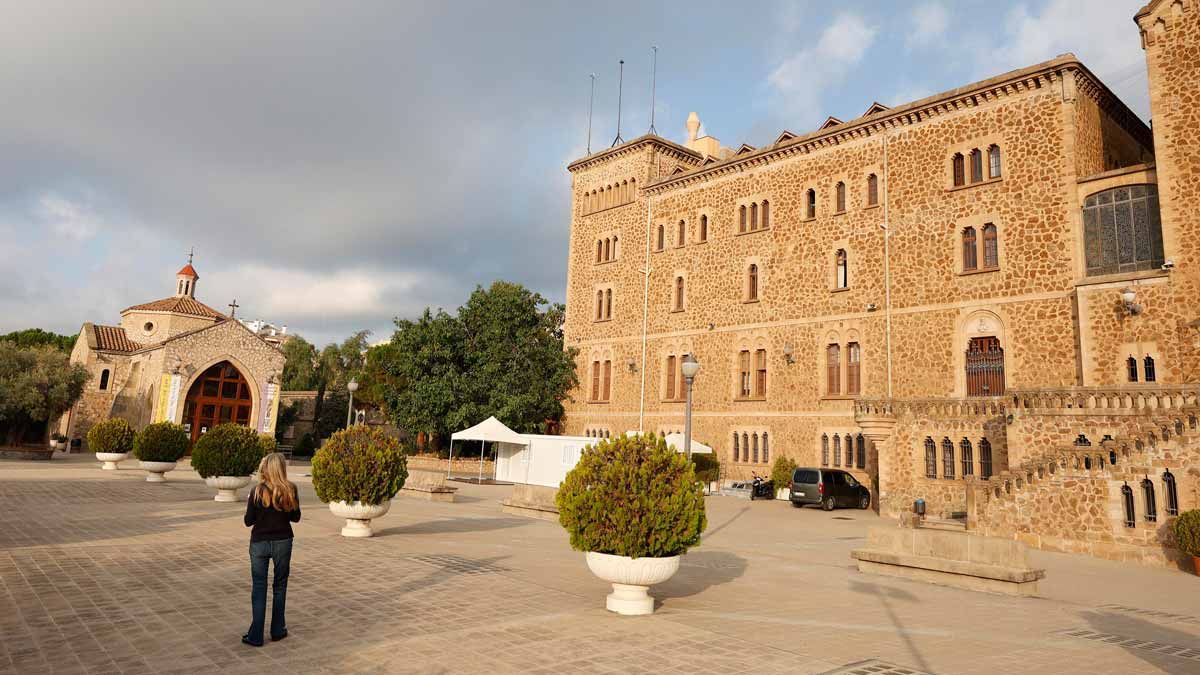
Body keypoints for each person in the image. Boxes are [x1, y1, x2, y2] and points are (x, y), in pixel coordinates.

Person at [242, 452, 301, 646]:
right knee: (280, 586)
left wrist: (250, 505)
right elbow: (296, 518)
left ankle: (256, 634)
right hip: (283, 541)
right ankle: (277, 629)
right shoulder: (290, 489)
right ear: (282, 468)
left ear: (266, 468)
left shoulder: (257, 491)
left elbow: (248, 521)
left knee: (259, 587)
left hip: (259, 542)